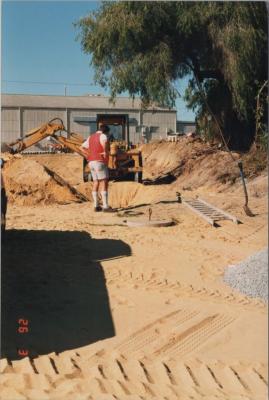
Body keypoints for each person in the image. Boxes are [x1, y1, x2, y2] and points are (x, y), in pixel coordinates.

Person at [80, 124, 114, 212]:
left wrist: (88, 155)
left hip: (91, 162)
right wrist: (105, 152)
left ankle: (96, 206)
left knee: (96, 182)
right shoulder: (103, 136)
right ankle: (105, 207)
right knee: (104, 182)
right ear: (105, 131)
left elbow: (81, 147)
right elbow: (105, 142)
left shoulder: (90, 137)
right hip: (99, 161)